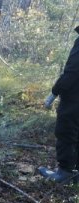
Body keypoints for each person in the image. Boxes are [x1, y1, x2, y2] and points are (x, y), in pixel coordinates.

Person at [39, 26, 79, 183]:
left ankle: (65, 173)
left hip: (74, 98)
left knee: (66, 131)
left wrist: (54, 92)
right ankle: (75, 173)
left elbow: (73, 72)